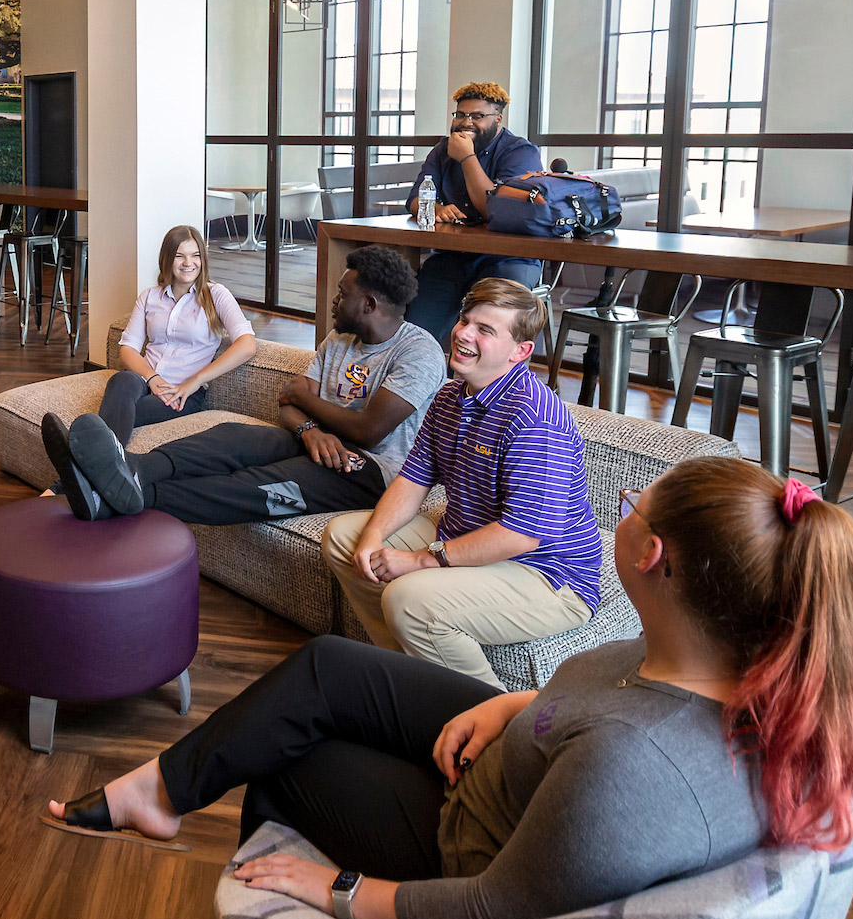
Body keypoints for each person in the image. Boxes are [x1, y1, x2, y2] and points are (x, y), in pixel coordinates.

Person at [44, 456, 853, 919]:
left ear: (650, 555)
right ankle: (158, 793)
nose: (619, 511)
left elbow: (493, 907)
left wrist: (332, 888)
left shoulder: (638, 770)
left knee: (282, 766)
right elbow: (613, 695)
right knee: (332, 664)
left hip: (468, 842)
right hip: (515, 754)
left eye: (630, 506)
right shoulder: (704, 645)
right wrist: (510, 706)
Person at [324, 279, 604, 687]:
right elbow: (412, 480)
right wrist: (374, 537)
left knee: (410, 601)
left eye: (485, 331)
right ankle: (410, 677)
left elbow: (521, 537)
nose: (464, 334)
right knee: (344, 537)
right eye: (465, 320)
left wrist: (421, 559)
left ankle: (490, 720)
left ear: (520, 351)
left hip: (548, 575)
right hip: (468, 535)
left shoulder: (534, 419)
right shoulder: (449, 397)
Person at [42, 245, 443, 526]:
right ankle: (131, 468)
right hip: (315, 439)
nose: (334, 301)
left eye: (343, 294)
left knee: (254, 487)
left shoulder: (418, 352)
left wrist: (305, 399)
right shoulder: (339, 340)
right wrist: (308, 428)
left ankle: (127, 498)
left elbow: (369, 432)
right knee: (234, 438)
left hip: (372, 471)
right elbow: (286, 404)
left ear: (370, 305)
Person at [405, 81, 545, 348]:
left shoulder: (520, 152)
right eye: (460, 115)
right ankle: (433, 384)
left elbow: (496, 209)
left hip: (507, 259)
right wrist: (435, 209)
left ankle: (493, 386)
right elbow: (415, 199)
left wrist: (467, 158)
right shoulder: (443, 149)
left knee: (489, 336)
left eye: (477, 116)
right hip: (452, 255)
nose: (465, 122)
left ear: (498, 119)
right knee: (416, 334)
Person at [102, 226, 259, 443]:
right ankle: (101, 464)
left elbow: (247, 344)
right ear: (167, 259)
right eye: (179, 256)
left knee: (123, 413)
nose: (188, 263)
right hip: (143, 381)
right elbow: (127, 348)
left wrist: (195, 381)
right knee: (121, 381)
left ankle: (89, 461)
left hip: (183, 392)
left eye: (195, 256)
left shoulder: (216, 295)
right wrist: (152, 378)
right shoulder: (150, 297)